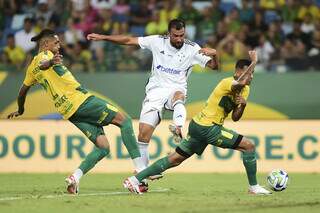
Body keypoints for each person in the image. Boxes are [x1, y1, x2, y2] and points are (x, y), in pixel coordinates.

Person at [7, 29, 145, 194]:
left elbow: (22, 91)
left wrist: (21, 110)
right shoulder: (45, 56)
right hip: (80, 101)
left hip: (69, 111)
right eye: (56, 42)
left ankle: (75, 178)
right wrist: (50, 63)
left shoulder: (31, 68)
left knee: (103, 147)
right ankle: (140, 170)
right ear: (45, 44)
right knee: (125, 121)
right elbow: (43, 64)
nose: (59, 45)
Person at [123, 50, 272, 195]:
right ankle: (254, 187)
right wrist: (254, 62)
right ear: (237, 72)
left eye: (253, 73)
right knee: (249, 146)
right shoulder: (227, 83)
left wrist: (243, 105)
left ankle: (134, 180)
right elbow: (241, 82)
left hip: (199, 126)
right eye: (248, 73)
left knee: (174, 160)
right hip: (208, 127)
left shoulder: (245, 90)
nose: (251, 76)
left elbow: (235, 117)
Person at [86, 19, 218, 180]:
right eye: (175, 35)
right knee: (143, 135)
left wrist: (215, 55)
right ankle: (143, 175)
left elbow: (214, 66)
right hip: (155, 92)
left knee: (179, 97)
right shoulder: (157, 41)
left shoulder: (193, 48)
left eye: (182, 35)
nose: (179, 39)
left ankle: (177, 127)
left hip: (176, 88)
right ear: (168, 33)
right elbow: (129, 40)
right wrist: (103, 37)